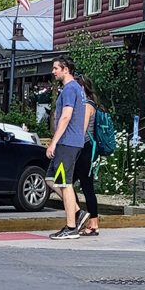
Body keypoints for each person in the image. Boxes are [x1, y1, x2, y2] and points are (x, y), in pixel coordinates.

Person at [46, 55, 88, 239]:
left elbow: (66, 116)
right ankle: (78, 212)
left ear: (66, 69)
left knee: (64, 183)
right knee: (50, 179)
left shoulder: (70, 89)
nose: (53, 71)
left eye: (56, 68)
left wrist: (53, 142)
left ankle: (71, 227)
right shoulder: (76, 89)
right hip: (72, 141)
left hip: (67, 142)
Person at [72, 75, 102, 238]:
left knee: (86, 186)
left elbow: (81, 130)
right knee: (71, 184)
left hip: (84, 148)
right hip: (86, 148)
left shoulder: (86, 106)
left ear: (83, 88)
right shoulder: (91, 104)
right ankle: (82, 216)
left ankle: (92, 223)